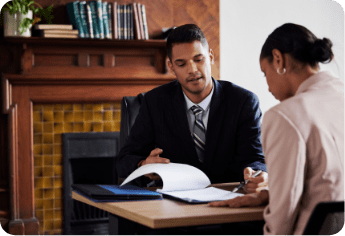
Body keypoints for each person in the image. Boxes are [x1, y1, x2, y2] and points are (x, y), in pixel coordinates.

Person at [209, 23, 345, 235]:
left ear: (279, 59)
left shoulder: (284, 115)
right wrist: (269, 194)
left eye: (265, 73)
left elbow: (284, 213)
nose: (268, 86)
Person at [116, 24, 267, 191]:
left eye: (198, 59)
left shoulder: (243, 102)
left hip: (229, 198)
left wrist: (257, 174)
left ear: (210, 57)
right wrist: (143, 164)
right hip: (173, 204)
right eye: (181, 64)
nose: (193, 70)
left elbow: (255, 158)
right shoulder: (154, 102)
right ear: (171, 66)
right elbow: (124, 160)